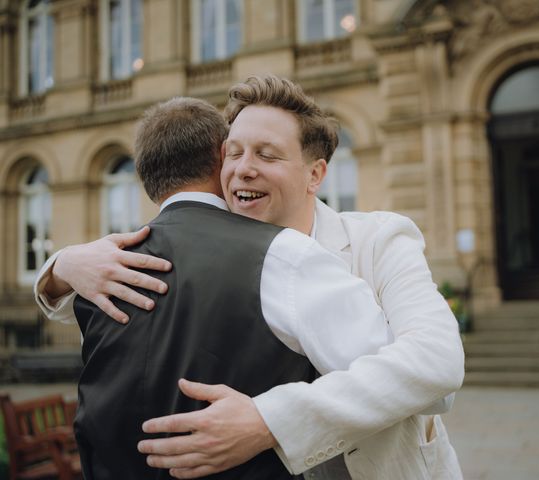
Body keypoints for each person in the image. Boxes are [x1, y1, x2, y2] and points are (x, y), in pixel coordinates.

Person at [36, 76, 465, 479]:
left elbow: (436, 367)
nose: (242, 169)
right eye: (234, 152)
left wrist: (269, 421)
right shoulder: (217, 257)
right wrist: (62, 265)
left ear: (315, 174)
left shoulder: (380, 237)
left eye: (266, 154)